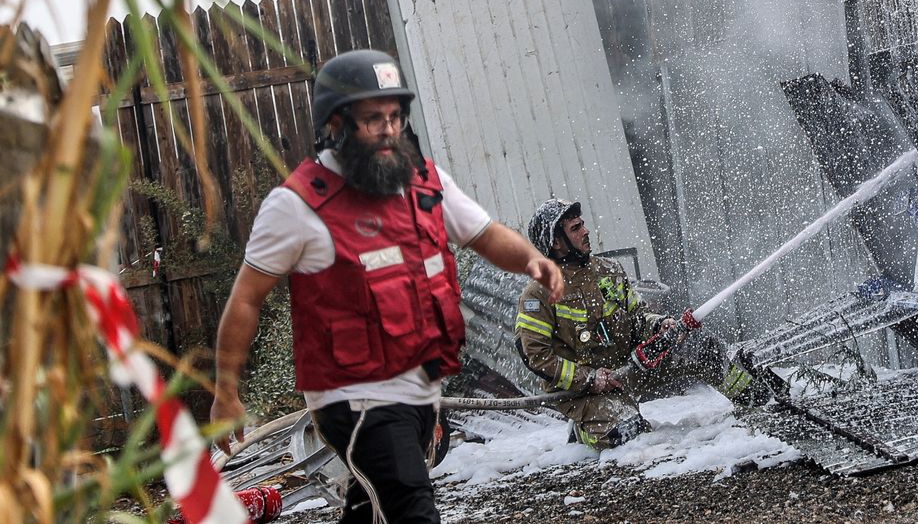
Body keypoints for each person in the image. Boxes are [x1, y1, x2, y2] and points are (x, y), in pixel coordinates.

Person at [210, 49, 564, 524]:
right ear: (336, 123)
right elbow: (246, 299)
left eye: (395, 117)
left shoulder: (425, 182)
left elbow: (484, 234)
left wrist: (531, 259)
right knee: (410, 508)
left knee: (371, 506)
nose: (389, 130)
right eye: (372, 118)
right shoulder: (296, 206)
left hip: (419, 385)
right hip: (352, 397)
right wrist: (226, 391)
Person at [514, 198, 768, 449]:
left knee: (700, 347)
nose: (586, 231)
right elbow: (536, 356)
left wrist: (659, 326)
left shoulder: (609, 270)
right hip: (587, 391)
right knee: (627, 434)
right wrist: (590, 379)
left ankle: (759, 401)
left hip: (632, 368)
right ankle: (585, 432)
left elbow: (638, 316)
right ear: (556, 242)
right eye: (575, 228)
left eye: (583, 224)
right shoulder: (538, 294)